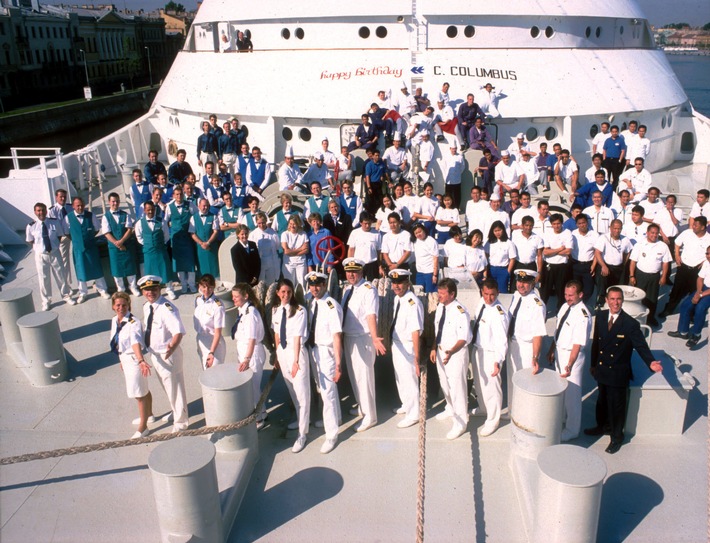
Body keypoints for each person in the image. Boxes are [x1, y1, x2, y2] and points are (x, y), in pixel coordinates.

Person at [586, 287, 662, 453]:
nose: (615, 302)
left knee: (616, 407)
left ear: (622, 300)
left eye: (618, 299)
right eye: (612, 299)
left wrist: (650, 362)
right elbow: (597, 345)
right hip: (602, 369)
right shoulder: (600, 316)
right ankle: (602, 426)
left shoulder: (630, 323)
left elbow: (641, 345)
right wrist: (593, 365)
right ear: (607, 300)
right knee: (602, 401)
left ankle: (616, 437)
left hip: (618, 373)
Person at [341, 258, 386, 432]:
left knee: (364, 378)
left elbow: (371, 315)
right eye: (348, 271)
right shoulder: (348, 290)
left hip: (363, 338)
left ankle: (370, 416)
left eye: (355, 271)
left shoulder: (369, 290)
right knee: (354, 377)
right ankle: (362, 407)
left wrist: (375, 338)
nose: (351, 275)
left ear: (361, 272)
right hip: (349, 337)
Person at [139, 275, 189, 432]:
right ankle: (177, 412)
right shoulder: (147, 306)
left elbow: (178, 332)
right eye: (147, 290)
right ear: (142, 291)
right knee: (168, 388)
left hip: (168, 355)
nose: (150, 293)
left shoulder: (168, 308)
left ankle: (181, 423)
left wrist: (172, 347)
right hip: (155, 355)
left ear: (159, 289)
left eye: (154, 289)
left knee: (175, 389)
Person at [547, 280, 591, 441]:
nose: (567, 298)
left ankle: (573, 429)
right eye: (566, 294)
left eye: (571, 295)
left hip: (572, 357)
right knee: (561, 389)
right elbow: (559, 330)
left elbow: (577, 344)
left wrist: (570, 365)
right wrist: (552, 349)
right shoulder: (566, 306)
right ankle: (562, 418)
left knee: (572, 394)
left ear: (580, 295)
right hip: (560, 351)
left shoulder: (582, 315)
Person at [305, 272, 343, 454]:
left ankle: (331, 435)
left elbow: (337, 336)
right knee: (323, 388)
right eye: (312, 285)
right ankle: (337, 418)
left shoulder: (331, 306)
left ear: (324, 285)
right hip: (314, 350)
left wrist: (338, 363)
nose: (315, 288)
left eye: (318, 284)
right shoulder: (312, 303)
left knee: (327, 393)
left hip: (326, 352)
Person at [272, 279, 311, 453]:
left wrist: (295, 361)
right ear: (278, 293)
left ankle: (302, 434)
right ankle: (300, 419)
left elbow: (297, 337)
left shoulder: (299, 311)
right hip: (283, 353)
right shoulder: (276, 310)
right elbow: (276, 334)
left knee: (302, 395)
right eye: (283, 292)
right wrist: (277, 355)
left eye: (289, 292)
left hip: (297, 353)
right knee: (293, 392)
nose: (286, 295)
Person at [431, 278, 472, 440]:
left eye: (442, 293)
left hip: (455, 354)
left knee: (457, 388)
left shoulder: (461, 312)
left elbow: (463, 338)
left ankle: (461, 422)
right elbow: (438, 329)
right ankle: (450, 408)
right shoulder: (441, 307)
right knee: (445, 385)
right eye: (438, 292)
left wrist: (450, 352)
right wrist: (434, 348)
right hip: (441, 351)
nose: (439, 296)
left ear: (452, 294)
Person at [110, 292, 152, 438]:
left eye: (124, 305)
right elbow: (117, 342)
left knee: (139, 394)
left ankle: (143, 427)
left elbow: (135, 343)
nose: (121, 308)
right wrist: (121, 361)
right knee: (142, 389)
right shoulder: (115, 320)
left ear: (129, 305)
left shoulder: (134, 323)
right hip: (125, 358)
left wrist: (141, 361)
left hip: (134, 359)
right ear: (113, 307)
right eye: (118, 305)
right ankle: (149, 414)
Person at [470, 279, 508, 437]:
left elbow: (502, 340)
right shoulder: (481, 303)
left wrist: (497, 361)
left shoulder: (499, 313)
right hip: (478, 349)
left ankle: (493, 419)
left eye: (492, 295)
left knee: (492, 388)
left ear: (498, 293)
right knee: (479, 383)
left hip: (491, 353)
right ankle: (483, 408)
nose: (489, 298)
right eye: (486, 294)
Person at [388, 269, 424, 428]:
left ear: (408, 283)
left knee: (409, 380)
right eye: (394, 283)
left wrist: (416, 357)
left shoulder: (412, 302)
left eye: (400, 283)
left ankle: (414, 413)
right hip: (397, 343)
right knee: (400, 378)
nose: (396, 286)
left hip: (408, 345)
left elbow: (415, 331)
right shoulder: (398, 299)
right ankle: (406, 404)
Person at [506, 270, 545, 411]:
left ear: (532, 283)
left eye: (525, 282)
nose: (521, 285)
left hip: (527, 347)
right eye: (519, 281)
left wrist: (535, 357)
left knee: (526, 383)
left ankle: (525, 414)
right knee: (512, 380)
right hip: (513, 343)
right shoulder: (516, 296)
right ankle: (512, 410)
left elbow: (538, 334)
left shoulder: (537, 305)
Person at [26, 202, 75, 310]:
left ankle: (66, 296)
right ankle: (46, 301)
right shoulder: (31, 226)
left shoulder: (54, 222)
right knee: (43, 279)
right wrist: (41, 248)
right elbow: (31, 241)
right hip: (41, 255)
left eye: (43, 210)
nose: (41, 212)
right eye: (38, 210)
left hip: (54, 253)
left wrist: (53, 246)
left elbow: (59, 236)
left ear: (46, 211)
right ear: (35, 212)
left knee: (61, 275)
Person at [232, 283, 267, 428]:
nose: (233, 299)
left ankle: (258, 419)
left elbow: (252, 338)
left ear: (245, 296)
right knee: (253, 388)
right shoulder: (243, 310)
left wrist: (246, 359)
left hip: (252, 354)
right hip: (246, 352)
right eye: (232, 297)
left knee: (252, 388)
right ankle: (262, 412)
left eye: (236, 296)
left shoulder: (251, 313)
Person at [660, 215, 709, 316]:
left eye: (696, 225)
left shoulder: (708, 238)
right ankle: (668, 309)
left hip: (697, 271)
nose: (693, 226)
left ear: (703, 227)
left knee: (694, 292)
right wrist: (677, 255)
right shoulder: (687, 233)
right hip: (683, 267)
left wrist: (705, 261)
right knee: (676, 290)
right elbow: (677, 243)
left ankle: (691, 314)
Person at [65, 196, 110, 303]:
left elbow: (96, 229)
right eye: (77, 205)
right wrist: (77, 240)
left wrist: (88, 238)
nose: (80, 207)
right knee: (81, 271)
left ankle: (102, 290)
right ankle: (83, 293)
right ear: (73, 206)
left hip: (91, 247)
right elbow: (66, 232)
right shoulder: (68, 218)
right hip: (78, 250)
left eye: (81, 205)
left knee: (96, 268)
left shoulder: (91, 215)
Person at [629, 223, 671, 327]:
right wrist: (631, 276)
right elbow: (633, 262)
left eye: (656, 233)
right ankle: (636, 317)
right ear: (647, 233)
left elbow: (665, 263)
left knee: (652, 298)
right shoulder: (640, 244)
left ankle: (650, 318)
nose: (654, 235)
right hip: (640, 275)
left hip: (654, 276)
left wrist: (664, 276)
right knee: (638, 297)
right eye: (652, 233)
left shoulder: (663, 246)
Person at [102, 193, 140, 296]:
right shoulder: (106, 217)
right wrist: (117, 243)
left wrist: (122, 241)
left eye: (117, 201)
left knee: (130, 267)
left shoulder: (125, 214)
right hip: (114, 248)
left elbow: (129, 229)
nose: (115, 203)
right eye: (113, 201)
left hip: (126, 245)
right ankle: (121, 288)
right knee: (116, 269)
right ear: (109, 202)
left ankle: (133, 287)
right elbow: (106, 233)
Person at [593, 219, 632, 309]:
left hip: (618, 267)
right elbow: (597, 252)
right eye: (614, 228)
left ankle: (617, 304)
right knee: (602, 284)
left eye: (619, 229)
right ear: (610, 228)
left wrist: (623, 264)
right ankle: (600, 302)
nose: (617, 231)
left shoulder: (625, 239)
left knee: (618, 287)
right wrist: (603, 266)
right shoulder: (603, 238)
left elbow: (627, 252)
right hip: (606, 265)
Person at [165, 186, 197, 294]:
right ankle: (183, 284)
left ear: (183, 195)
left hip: (187, 238)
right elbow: (165, 222)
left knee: (190, 262)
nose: (179, 196)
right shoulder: (169, 207)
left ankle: (192, 284)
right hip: (176, 239)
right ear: (173, 195)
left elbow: (196, 216)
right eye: (177, 194)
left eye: (180, 194)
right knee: (179, 264)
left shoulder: (190, 204)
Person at [193, 274, 226, 370]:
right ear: (199, 286)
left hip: (213, 342)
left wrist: (211, 352)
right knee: (205, 372)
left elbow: (218, 333)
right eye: (204, 287)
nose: (206, 290)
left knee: (215, 374)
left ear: (214, 287)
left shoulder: (217, 305)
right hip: (200, 339)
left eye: (210, 287)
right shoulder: (198, 300)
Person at [541, 213, 573, 311]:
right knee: (545, 292)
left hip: (562, 266)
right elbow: (545, 252)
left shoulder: (567, 233)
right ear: (551, 224)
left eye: (558, 223)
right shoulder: (547, 233)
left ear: (562, 223)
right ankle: (542, 311)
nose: (556, 226)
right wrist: (560, 249)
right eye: (554, 224)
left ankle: (561, 311)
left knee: (561, 291)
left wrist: (553, 251)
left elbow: (568, 251)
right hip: (549, 266)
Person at [570, 214, 599, 303]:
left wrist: (593, 266)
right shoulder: (573, 234)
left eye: (584, 223)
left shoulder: (594, 234)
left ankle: (584, 303)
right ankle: (576, 305)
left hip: (588, 266)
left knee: (588, 289)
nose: (582, 225)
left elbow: (597, 252)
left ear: (587, 223)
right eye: (580, 223)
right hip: (575, 265)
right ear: (577, 224)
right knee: (576, 288)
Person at [189, 198, 220, 279]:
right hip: (200, 248)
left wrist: (208, 243)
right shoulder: (193, 218)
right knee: (202, 267)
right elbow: (192, 233)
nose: (205, 207)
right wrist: (201, 243)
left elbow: (216, 231)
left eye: (207, 206)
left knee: (214, 267)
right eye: (203, 206)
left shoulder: (213, 216)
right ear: (198, 206)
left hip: (211, 247)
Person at [249, 213, 280, 289]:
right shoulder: (253, 234)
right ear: (256, 223)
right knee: (261, 284)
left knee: (271, 283)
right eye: (259, 223)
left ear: (266, 221)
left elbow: (277, 246)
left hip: (271, 261)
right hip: (259, 262)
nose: (261, 225)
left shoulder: (272, 233)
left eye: (263, 222)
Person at [485, 220, 517, 293]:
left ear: (503, 230)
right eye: (495, 231)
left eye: (499, 230)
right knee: (491, 291)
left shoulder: (509, 243)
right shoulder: (489, 242)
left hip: (503, 271)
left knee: (502, 292)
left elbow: (512, 259)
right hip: (491, 270)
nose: (497, 233)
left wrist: (507, 272)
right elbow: (486, 257)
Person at [347, 212, 381, 281]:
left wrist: (380, 266)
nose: (367, 226)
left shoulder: (377, 234)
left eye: (369, 223)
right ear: (360, 223)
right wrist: (350, 265)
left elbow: (379, 251)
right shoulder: (354, 233)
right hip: (358, 264)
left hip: (372, 264)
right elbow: (351, 250)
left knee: (373, 286)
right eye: (365, 223)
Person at [281, 215, 309, 287]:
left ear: (298, 224)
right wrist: (300, 249)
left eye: (294, 224)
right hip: (289, 264)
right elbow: (286, 252)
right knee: (290, 284)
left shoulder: (303, 234)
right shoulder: (285, 234)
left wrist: (292, 252)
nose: (292, 226)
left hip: (301, 263)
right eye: (290, 224)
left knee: (302, 284)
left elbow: (306, 250)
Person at [412, 222, 439, 293]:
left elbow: (435, 258)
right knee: (419, 292)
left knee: (430, 294)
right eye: (416, 233)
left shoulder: (431, 241)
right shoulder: (415, 241)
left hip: (430, 272)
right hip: (420, 272)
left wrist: (435, 275)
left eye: (420, 231)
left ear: (424, 230)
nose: (418, 234)